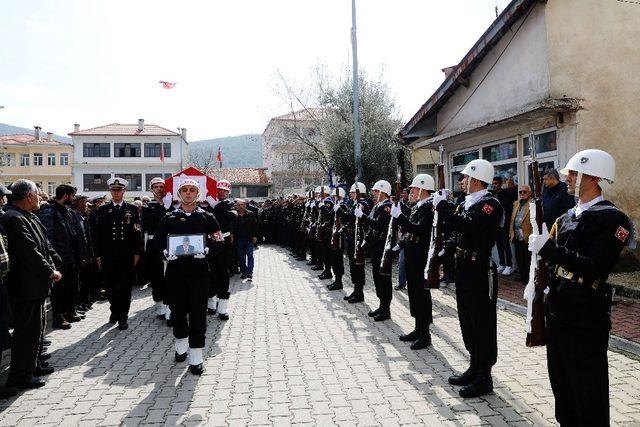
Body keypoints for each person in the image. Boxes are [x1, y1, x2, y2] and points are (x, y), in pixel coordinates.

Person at [529, 149, 633, 426]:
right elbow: (551, 265)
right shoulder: (565, 218)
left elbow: (595, 267)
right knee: (561, 386)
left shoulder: (613, 219)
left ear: (595, 177)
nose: (568, 179)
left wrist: (550, 250)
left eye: (574, 174)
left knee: (588, 390)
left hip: (586, 313)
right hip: (558, 309)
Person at [434, 159, 503, 398]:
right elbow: (457, 233)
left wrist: (443, 208)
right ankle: (474, 367)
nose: (461, 182)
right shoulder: (467, 203)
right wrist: (444, 251)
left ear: (476, 179)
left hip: (479, 270)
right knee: (467, 322)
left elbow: (470, 227)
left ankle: (485, 377)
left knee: (482, 324)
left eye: (465, 178)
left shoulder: (490, 204)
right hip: (463, 268)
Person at [0, 179, 62, 390]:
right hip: (26, 285)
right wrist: (49, 271)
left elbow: (43, 245)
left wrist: (54, 262)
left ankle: (32, 366)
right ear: (28, 196)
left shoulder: (28, 216)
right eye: (37, 193)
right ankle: (21, 376)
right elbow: (29, 252)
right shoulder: (13, 218)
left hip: (36, 284)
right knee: (26, 332)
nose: (40, 196)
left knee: (37, 328)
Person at [154, 179, 220, 375]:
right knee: (178, 311)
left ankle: (196, 355)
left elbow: (220, 241)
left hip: (199, 273)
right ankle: (181, 344)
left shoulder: (207, 217)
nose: (189, 193)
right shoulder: (169, 218)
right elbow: (157, 242)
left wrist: (208, 251)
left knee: (199, 313)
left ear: (197, 194)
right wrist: (165, 253)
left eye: (192, 190)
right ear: (179, 193)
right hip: (175, 273)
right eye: (185, 190)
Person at [391, 174, 436, 349]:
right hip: (412, 255)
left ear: (424, 189)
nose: (412, 192)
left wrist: (400, 217)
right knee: (414, 294)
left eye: (415, 189)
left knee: (422, 296)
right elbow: (410, 232)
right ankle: (418, 329)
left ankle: (425, 334)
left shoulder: (429, 208)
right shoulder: (419, 207)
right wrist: (400, 244)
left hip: (421, 257)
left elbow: (419, 230)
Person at [94, 177, 143, 331]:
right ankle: (114, 309)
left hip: (126, 255)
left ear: (124, 191)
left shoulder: (132, 209)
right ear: (110, 191)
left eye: (119, 189)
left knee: (125, 286)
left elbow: (137, 233)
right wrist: (98, 255)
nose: (116, 192)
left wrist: (137, 252)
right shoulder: (102, 210)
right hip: (108, 255)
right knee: (109, 286)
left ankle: (123, 317)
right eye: (114, 190)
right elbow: (98, 235)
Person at [37, 184, 82, 329]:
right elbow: (48, 238)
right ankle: (58, 317)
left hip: (69, 257)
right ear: (66, 196)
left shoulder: (66, 211)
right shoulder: (49, 212)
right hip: (59, 260)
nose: (74, 199)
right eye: (73, 196)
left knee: (69, 287)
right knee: (58, 290)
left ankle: (68, 312)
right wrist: (54, 259)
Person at [355, 180, 393, 321]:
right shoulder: (377, 206)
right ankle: (381, 305)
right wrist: (367, 240)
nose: (374, 193)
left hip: (383, 245)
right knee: (377, 276)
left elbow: (377, 224)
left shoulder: (386, 207)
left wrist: (363, 216)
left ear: (383, 192)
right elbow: (372, 226)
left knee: (384, 277)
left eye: (376, 191)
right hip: (376, 245)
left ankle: (386, 309)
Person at [206, 179, 237, 320]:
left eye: (225, 190)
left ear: (228, 192)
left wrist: (215, 206)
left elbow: (231, 216)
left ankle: (223, 306)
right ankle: (211, 303)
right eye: (219, 189)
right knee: (210, 273)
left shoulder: (229, 204)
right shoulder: (208, 203)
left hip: (224, 244)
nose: (222, 192)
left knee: (223, 274)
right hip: (210, 243)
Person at [141, 177, 170, 324]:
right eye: (156, 187)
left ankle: (170, 303)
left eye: (161, 186)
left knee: (170, 276)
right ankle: (160, 305)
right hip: (154, 244)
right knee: (157, 276)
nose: (159, 189)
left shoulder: (171, 205)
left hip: (170, 243)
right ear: (152, 190)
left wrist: (168, 205)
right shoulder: (148, 207)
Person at [339, 183, 369, 304]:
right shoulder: (354, 204)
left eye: (352, 192)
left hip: (358, 239)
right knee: (352, 266)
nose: (350, 194)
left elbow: (350, 217)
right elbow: (350, 221)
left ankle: (359, 292)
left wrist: (340, 212)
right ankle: (356, 290)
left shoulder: (362, 204)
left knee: (358, 266)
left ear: (358, 192)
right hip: (352, 237)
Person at [492, 176, 516, 275]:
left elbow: (509, 208)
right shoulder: (492, 194)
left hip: (505, 222)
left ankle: (509, 265)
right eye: (493, 183)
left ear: (501, 184)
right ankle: (501, 264)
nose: (494, 185)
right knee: (499, 244)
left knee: (506, 244)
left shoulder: (506, 193)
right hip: (496, 223)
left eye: (496, 183)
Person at [508, 185, 532, 283]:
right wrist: (510, 232)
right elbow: (512, 219)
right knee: (519, 258)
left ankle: (528, 278)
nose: (522, 194)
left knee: (528, 258)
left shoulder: (532, 204)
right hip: (517, 234)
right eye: (520, 192)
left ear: (529, 193)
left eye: (524, 192)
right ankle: (522, 276)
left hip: (527, 235)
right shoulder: (516, 203)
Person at [233, 199, 258, 281]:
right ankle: (244, 272)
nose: (241, 206)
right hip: (239, 239)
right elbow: (232, 226)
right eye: (239, 205)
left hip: (249, 239)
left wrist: (255, 236)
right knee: (241, 257)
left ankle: (250, 272)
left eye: (242, 204)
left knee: (250, 256)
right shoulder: (235, 214)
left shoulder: (250, 214)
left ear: (245, 205)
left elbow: (255, 226)